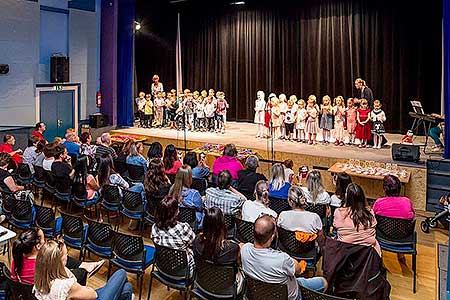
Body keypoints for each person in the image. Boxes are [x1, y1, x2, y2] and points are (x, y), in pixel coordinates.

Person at [240, 215, 328, 300]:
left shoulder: (244, 250)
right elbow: (298, 270)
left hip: (257, 294)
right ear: (272, 236)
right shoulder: (282, 259)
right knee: (324, 282)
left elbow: (240, 246)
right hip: (288, 296)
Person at [33, 239, 132, 300]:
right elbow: (93, 294)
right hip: (93, 296)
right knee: (121, 273)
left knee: (126, 289)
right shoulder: (65, 285)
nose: (68, 257)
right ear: (59, 262)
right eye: (66, 255)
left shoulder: (39, 280)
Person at [11, 228, 103, 286]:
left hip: (25, 293)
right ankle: (85, 268)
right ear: (37, 246)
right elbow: (60, 280)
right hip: (45, 292)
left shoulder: (17, 258)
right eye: (43, 239)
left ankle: (85, 264)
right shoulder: (44, 264)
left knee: (61, 256)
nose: (45, 241)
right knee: (81, 272)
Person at [193, 207, 244, 293]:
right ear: (222, 225)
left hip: (203, 281)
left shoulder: (196, 241)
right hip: (226, 287)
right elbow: (239, 265)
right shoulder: (232, 248)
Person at [333, 183, 381, 256]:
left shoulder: (339, 212)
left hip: (346, 254)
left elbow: (335, 225)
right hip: (369, 255)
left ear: (347, 197)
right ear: (362, 196)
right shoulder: (370, 213)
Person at [151, 196, 196, 273]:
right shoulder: (183, 228)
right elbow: (194, 243)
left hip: (163, 266)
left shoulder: (154, 228)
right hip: (183, 271)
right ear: (175, 212)